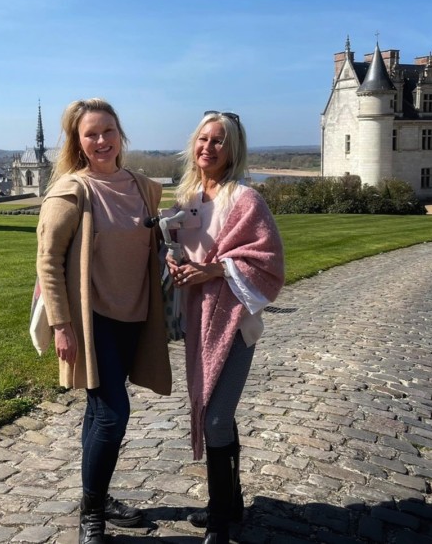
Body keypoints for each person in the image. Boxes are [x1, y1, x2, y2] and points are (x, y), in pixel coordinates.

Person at [36, 98, 172, 543]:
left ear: (120, 134)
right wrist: (61, 325)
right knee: (114, 414)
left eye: (107, 131)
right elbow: (49, 261)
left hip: (135, 313)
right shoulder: (72, 191)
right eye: (90, 134)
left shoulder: (142, 187)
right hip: (93, 321)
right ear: (78, 142)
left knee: (99, 411)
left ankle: (97, 493)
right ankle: (92, 512)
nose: (101, 140)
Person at [166, 111, 285, 544]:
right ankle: (230, 502)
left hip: (234, 321)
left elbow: (268, 263)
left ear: (232, 149)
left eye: (218, 141)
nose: (208, 148)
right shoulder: (188, 199)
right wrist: (176, 262)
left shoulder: (245, 200)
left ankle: (219, 521)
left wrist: (214, 271)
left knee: (216, 416)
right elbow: (182, 251)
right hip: (199, 320)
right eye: (203, 139)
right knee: (215, 412)